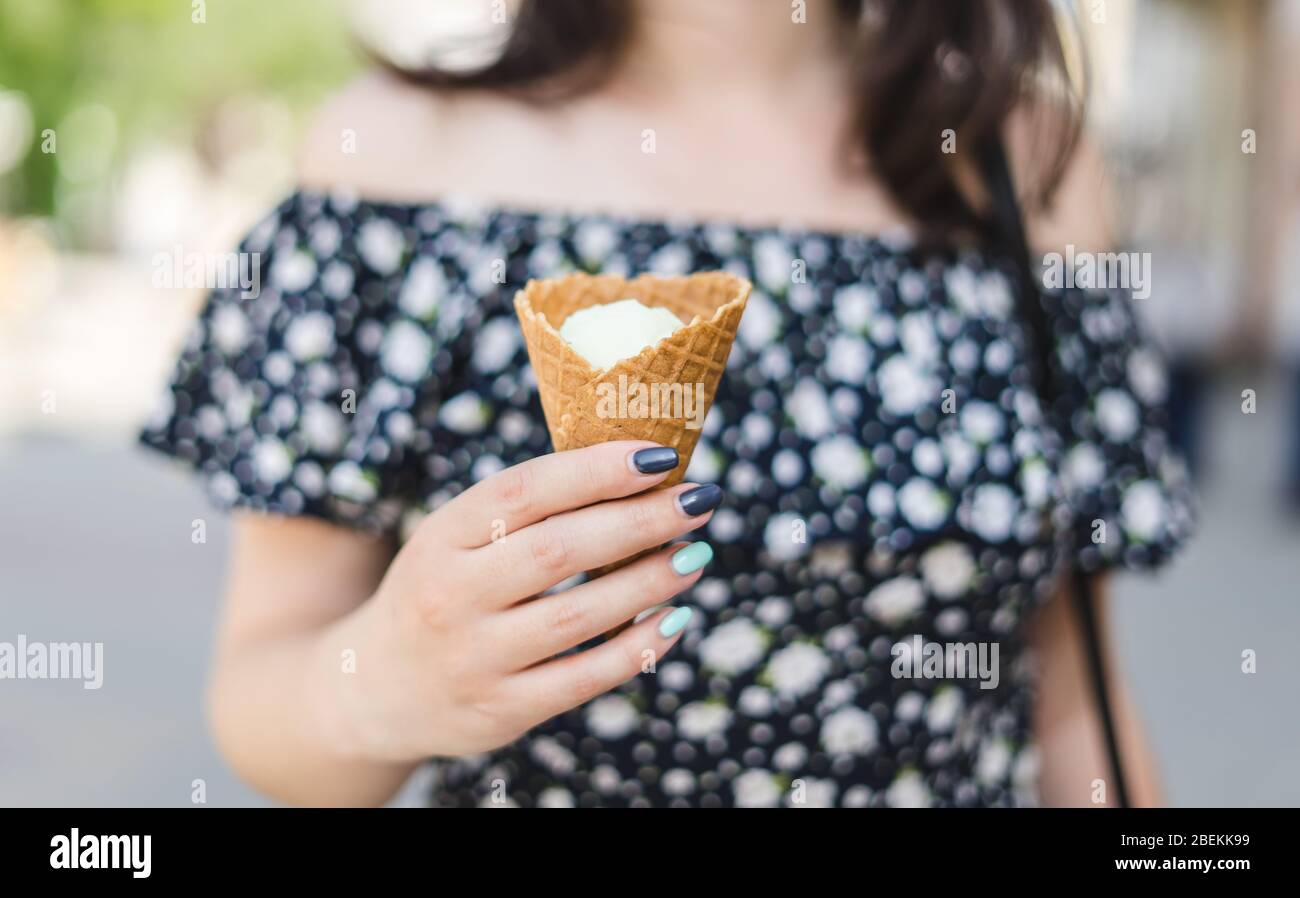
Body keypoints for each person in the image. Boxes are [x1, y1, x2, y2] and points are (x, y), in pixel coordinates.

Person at [140, 0, 1193, 807]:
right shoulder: (390, 161)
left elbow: (1071, 710)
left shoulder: (1020, 161)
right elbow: (264, 693)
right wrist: (386, 684)